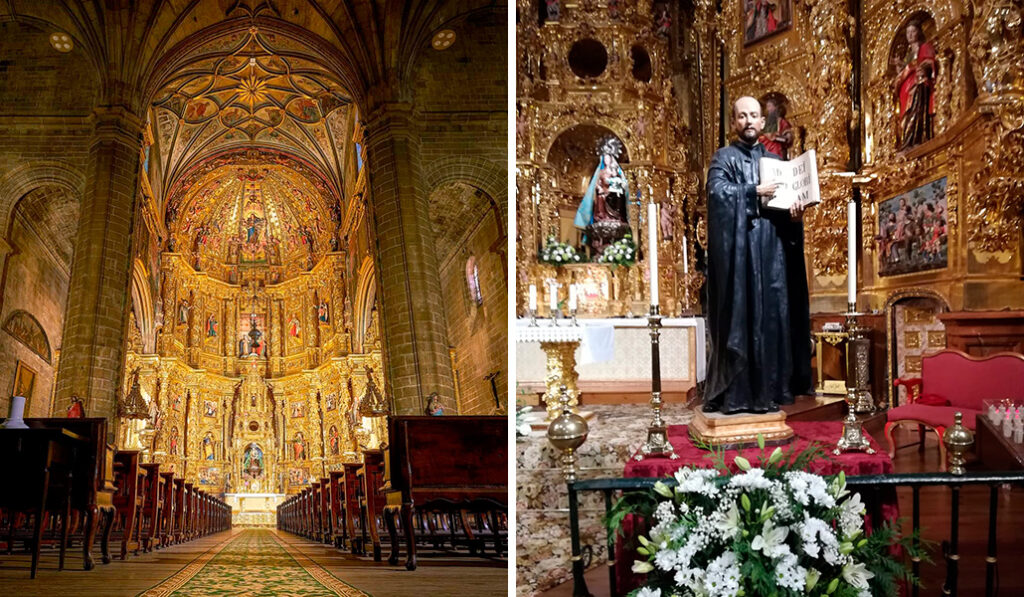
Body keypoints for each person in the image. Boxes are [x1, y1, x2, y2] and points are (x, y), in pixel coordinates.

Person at [703, 96, 813, 415]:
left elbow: (788, 210)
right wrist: (753, 191)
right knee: (741, 315)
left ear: (763, 122)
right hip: (739, 255)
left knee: (772, 316)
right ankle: (737, 395)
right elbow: (716, 192)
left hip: (770, 253)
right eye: (742, 116)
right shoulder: (723, 158)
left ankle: (771, 389)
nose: (748, 121)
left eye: (754, 116)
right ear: (734, 122)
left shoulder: (777, 164)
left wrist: (795, 215)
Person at [892, 21, 936, 151]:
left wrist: (921, 66)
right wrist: (900, 67)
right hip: (906, 89)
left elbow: (931, 61)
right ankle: (907, 141)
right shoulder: (908, 55)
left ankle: (916, 139)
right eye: (908, 33)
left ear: (918, 33)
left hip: (918, 84)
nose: (910, 35)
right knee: (907, 113)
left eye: (913, 31)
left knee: (916, 110)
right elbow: (902, 73)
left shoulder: (924, 47)